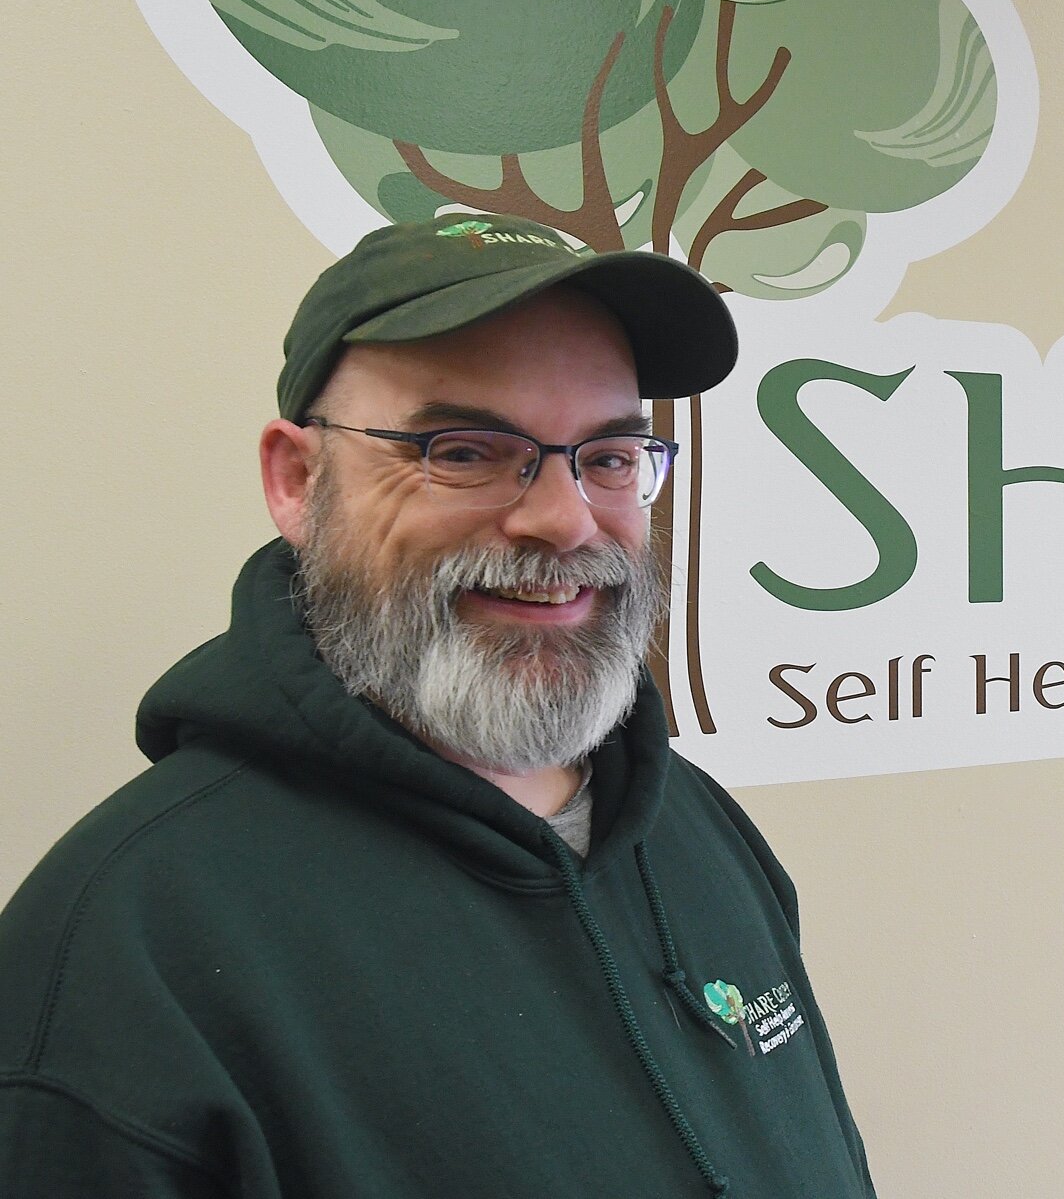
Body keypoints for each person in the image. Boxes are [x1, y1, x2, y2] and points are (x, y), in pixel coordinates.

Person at [0, 213, 875, 1197]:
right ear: (296, 479)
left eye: (609, 457)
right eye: (463, 451)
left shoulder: (695, 828)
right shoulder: (128, 950)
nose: (564, 519)